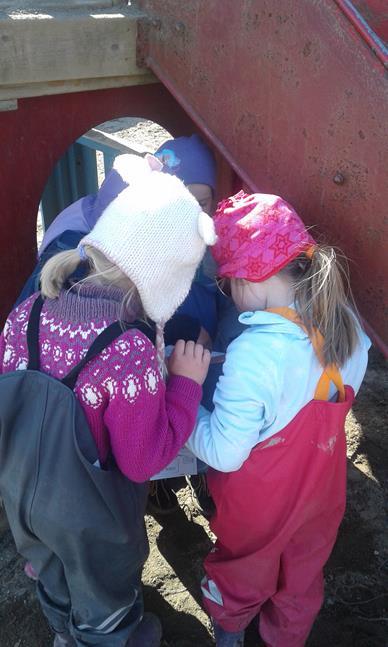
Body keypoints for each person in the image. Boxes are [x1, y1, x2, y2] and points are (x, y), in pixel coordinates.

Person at [0, 155, 216, 647]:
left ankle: (61, 628)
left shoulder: (29, 311)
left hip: (21, 494)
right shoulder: (129, 351)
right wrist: (185, 383)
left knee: (52, 577)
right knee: (105, 612)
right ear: (167, 279)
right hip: (91, 521)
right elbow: (144, 461)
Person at [185, 191, 370, 646]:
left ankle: (230, 636)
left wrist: (185, 400)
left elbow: (226, 454)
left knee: (241, 577)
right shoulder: (346, 324)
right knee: (301, 580)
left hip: (257, 511)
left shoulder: (255, 354)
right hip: (321, 497)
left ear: (250, 278)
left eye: (228, 285)